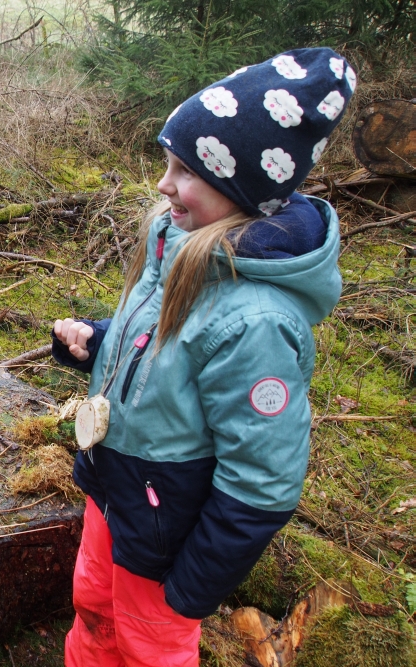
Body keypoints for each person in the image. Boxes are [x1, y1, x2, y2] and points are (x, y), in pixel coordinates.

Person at [52, 48, 356, 667]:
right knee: (93, 606)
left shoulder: (258, 321)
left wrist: (190, 590)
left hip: (165, 538)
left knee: (148, 643)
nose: (164, 185)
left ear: (239, 187)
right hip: (115, 494)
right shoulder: (181, 241)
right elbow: (166, 345)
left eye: (185, 171)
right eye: (168, 164)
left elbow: (262, 484)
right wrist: (99, 340)